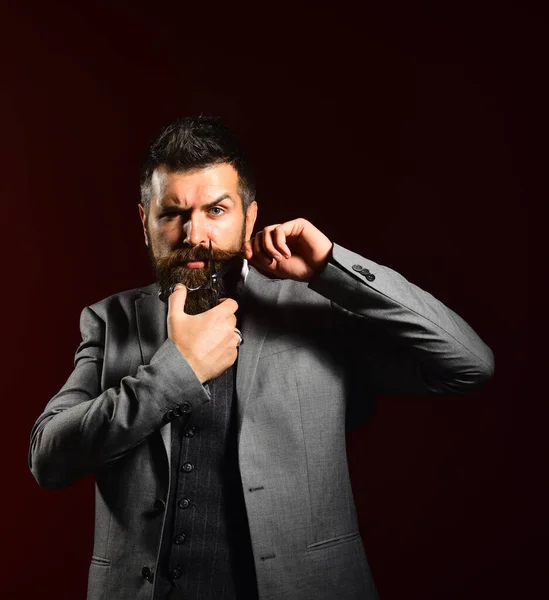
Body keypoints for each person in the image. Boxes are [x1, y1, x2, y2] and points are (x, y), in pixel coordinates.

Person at [29, 116, 495, 600]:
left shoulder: (314, 311)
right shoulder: (110, 321)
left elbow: (469, 364)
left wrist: (332, 269)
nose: (195, 233)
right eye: (172, 213)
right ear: (144, 223)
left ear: (249, 218)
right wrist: (173, 373)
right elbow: (48, 458)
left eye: (216, 210)